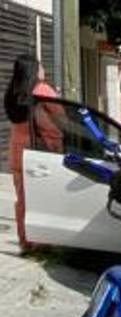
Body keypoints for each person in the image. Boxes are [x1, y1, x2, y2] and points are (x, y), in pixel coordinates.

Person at [5, 54, 60, 253]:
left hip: (17, 153)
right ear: (33, 71)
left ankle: (25, 242)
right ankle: (42, 243)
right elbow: (60, 120)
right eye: (40, 66)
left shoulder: (12, 92)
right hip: (40, 152)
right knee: (45, 199)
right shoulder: (42, 90)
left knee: (23, 200)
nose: (43, 69)